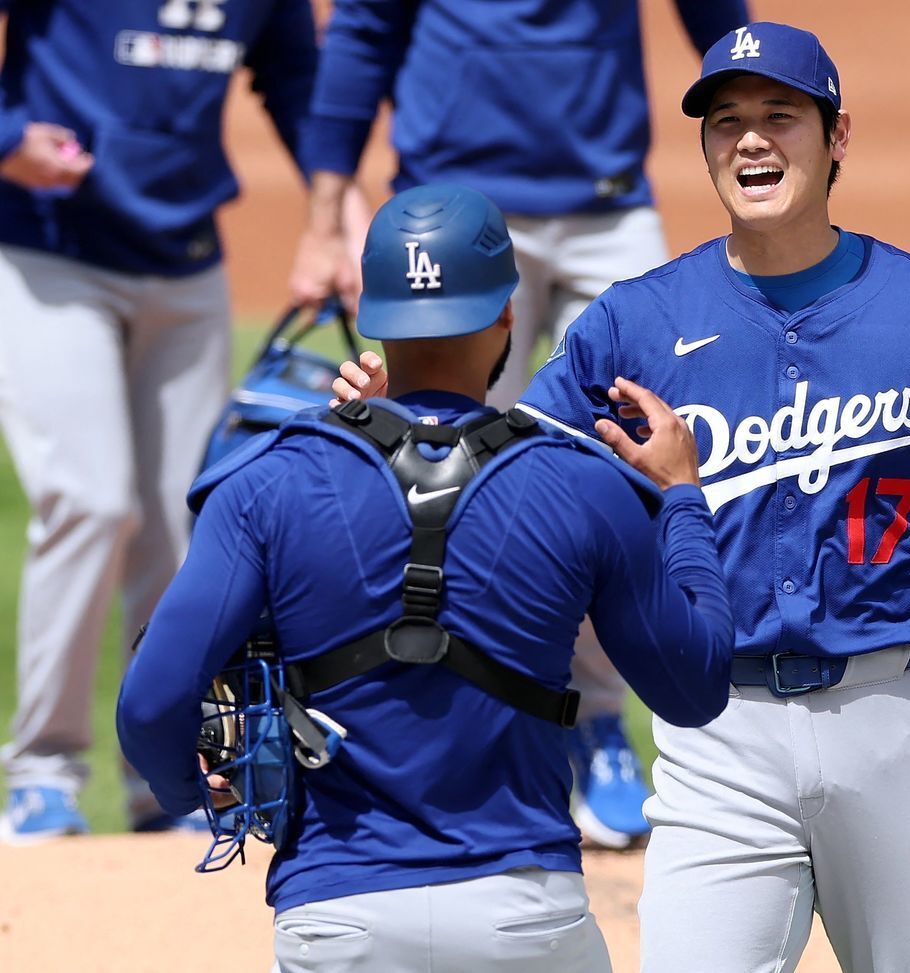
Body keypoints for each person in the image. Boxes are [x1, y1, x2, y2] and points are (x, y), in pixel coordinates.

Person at [337, 22, 910, 972]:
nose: (750, 140)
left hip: (897, 722)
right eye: (726, 121)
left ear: (837, 138)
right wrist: (399, 419)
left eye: (780, 116)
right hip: (714, 734)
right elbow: (504, 485)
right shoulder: (636, 320)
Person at [117, 183, 734, 972]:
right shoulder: (585, 485)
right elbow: (695, 687)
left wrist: (193, 796)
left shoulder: (269, 483)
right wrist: (682, 497)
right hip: (523, 917)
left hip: (337, 920)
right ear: (508, 314)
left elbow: (148, 704)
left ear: (374, 318)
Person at [289, 0, 750, 848]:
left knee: (626, 460)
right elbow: (362, 31)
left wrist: (755, 132)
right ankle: (480, 724)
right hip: (451, 213)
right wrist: (324, 221)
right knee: (446, 478)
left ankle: (601, 722)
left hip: (606, 207)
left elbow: (720, 19)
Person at [0, 0, 326, 839]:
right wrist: (6, 138)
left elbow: (293, 75)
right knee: (91, 501)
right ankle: (43, 771)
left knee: (187, 523)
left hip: (185, 264)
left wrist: (339, 209)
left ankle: (167, 778)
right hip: (48, 251)